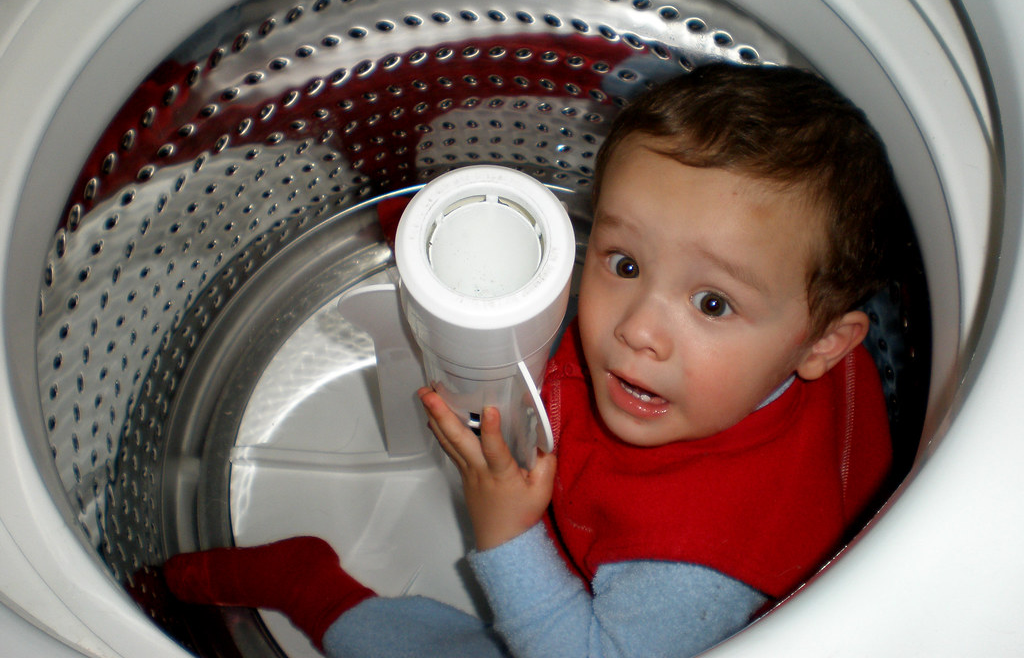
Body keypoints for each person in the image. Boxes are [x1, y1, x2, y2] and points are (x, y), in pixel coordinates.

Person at [159, 63, 896, 658]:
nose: (639, 329)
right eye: (625, 262)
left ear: (823, 345)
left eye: (712, 305)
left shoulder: (697, 568)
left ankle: (318, 594)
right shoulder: (743, 342)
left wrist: (508, 533)